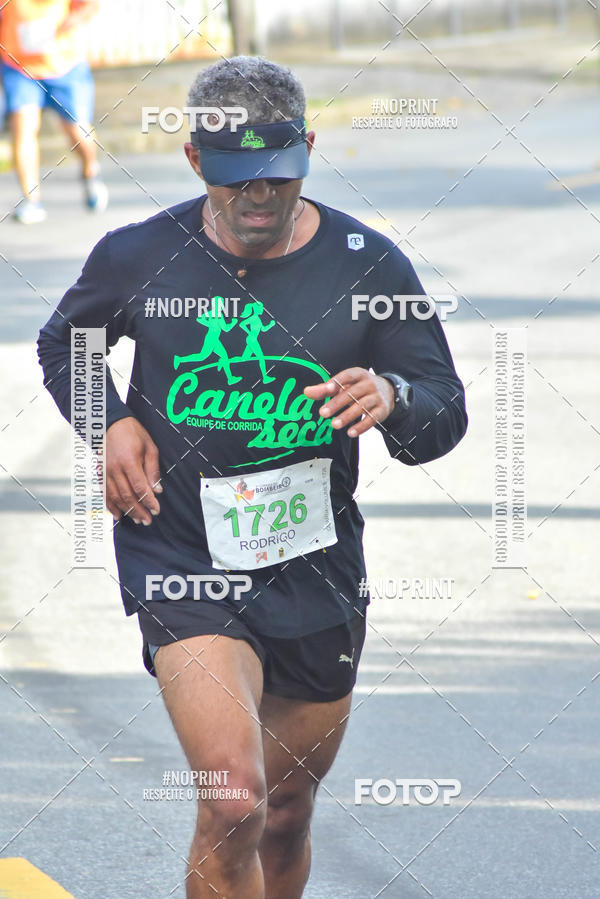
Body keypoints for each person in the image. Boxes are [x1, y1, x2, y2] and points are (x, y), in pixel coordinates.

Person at [38, 56, 467, 899]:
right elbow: (67, 342)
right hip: (181, 550)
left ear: (307, 148)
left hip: (314, 567)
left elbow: (443, 412)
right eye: (238, 181)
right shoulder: (138, 257)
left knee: (282, 812)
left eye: (277, 177)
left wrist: (392, 394)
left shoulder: (367, 267)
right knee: (233, 796)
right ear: (196, 160)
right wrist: (110, 421)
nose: (258, 200)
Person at [0, 0, 107, 223]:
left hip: (65, 67)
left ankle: (90, 172)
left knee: (78, 132)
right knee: (23, 128)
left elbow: (90, 6)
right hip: (19, 68)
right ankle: (32, 201)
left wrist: (72, 21)